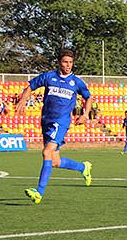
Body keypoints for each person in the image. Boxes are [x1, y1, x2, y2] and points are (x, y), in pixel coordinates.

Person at [15, 49, 93, 204]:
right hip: (46, 121)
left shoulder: (76, 82)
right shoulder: (49, 77)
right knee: (55, 161)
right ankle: (83, 167)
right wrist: (23, 99)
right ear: (59, 62)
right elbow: (30, 86)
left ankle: (39, 192)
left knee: (46, 152)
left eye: (70, 62)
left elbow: (88, 97)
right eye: (65, 62)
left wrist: (85, 114)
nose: (68, 65)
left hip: (61, 122)